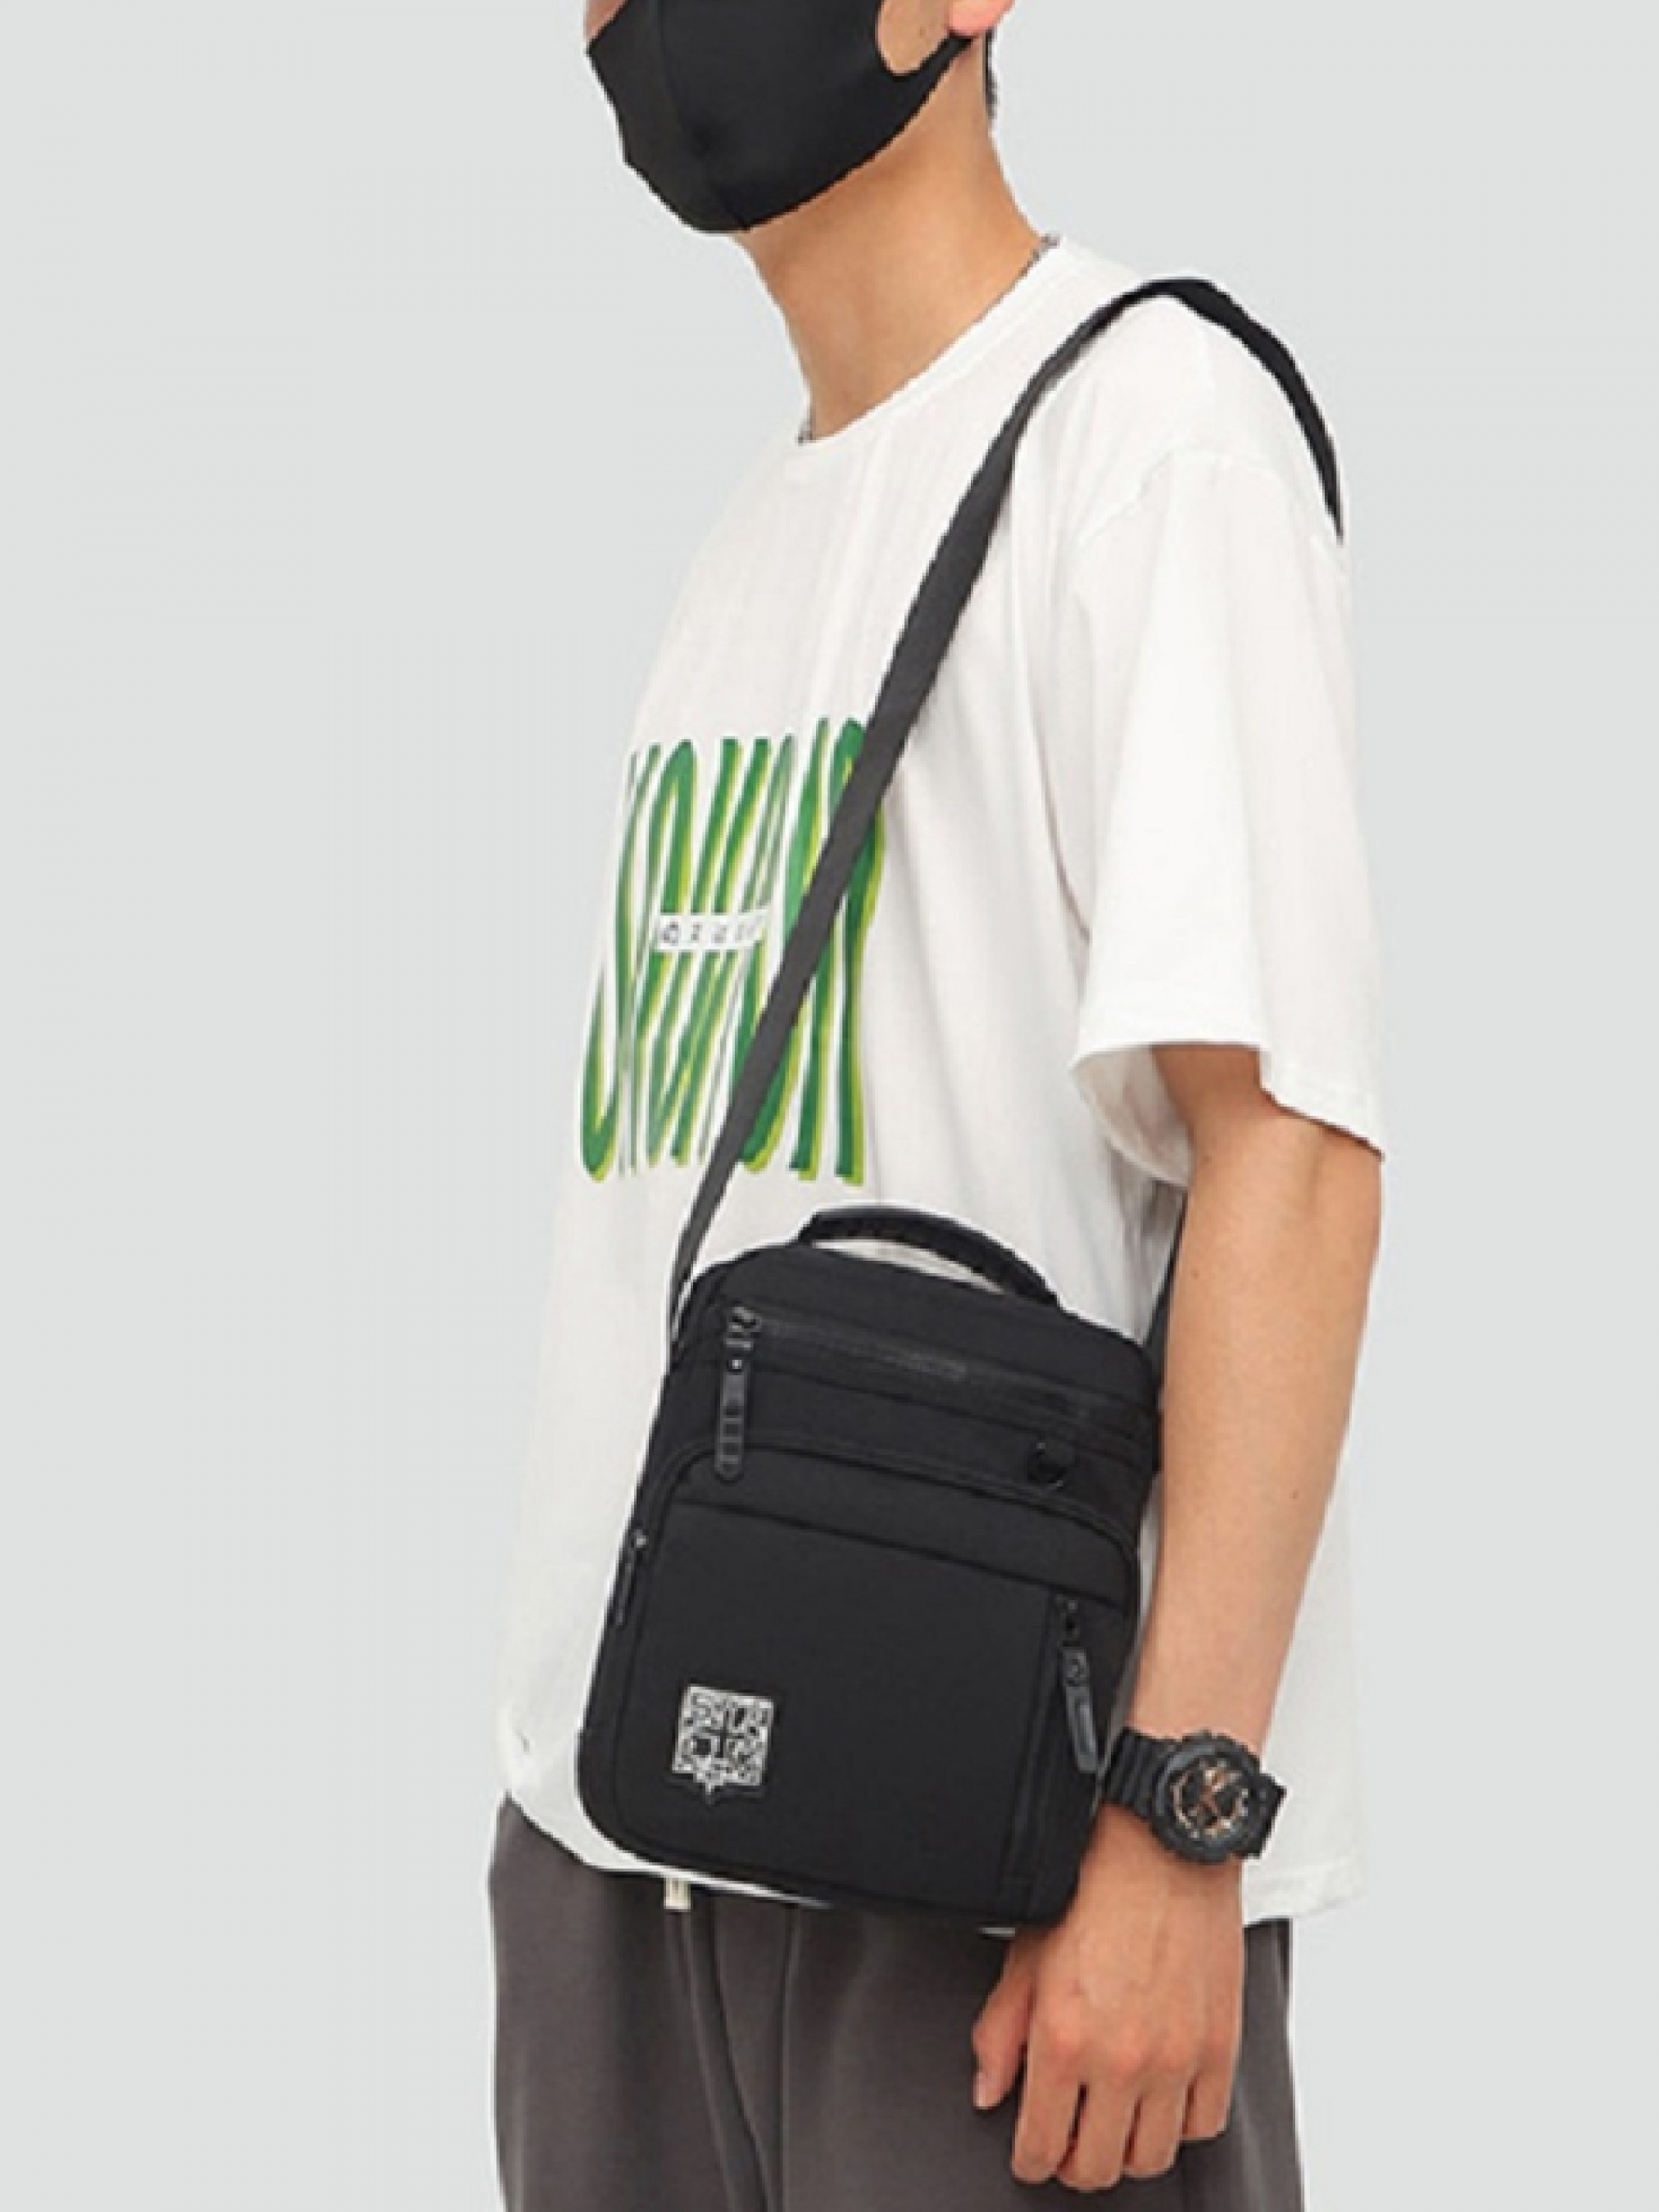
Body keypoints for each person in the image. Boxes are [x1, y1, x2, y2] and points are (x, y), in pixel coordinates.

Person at [487, 4, 1387, 2205]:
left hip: (994, 1875)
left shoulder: (1148, 435)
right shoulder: (748, 542)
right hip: (621, 1839)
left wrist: (1182, 1816)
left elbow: (1285, 1149)